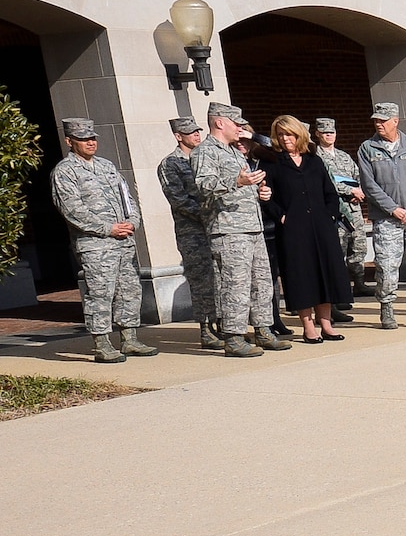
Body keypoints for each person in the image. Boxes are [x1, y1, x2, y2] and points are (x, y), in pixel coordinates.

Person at [50, 118, 155, 364]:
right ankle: (102, 343)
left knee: (129, 290)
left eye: (93, 138)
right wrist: (108, 228)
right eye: (84, 139)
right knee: (100, 293)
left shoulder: (107, 166)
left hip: (123, 242)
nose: (90, 142)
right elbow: (72, 210)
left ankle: (129, 338)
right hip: (95, 245)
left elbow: (127, 197)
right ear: (69, 141)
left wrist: (133, 221)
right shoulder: (65, 172)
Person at [193, 104, 285, 358]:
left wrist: (260, 193)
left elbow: (245, 185)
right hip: (228, 230)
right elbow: (204, 186)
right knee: (235, 285)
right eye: (237, 124)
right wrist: (237, 181)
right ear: (220, 123)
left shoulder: (235, 152)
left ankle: (263, 330)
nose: (241, 129)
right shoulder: (205, 152)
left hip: (251, 226)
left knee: (262, 283)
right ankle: (233, 337)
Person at [265, 114, 352, 344]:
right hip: (294, 230)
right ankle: (308, 326)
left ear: (299, 135)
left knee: (326, 273)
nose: (285, 139)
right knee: (301, 276)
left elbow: (330, 192)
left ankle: (326, 324)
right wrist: (281, 216)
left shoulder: (314, 161)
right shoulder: (272, 162)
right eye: (281, 134)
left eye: (290, 134)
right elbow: (266, 197)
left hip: (321, 227)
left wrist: (330, 214)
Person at [358, 101, 406, 329]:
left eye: (383, 120)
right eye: (376, 120)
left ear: (395, 121)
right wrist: (393, 209)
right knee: (387, 265)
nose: (378, 124)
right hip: (387, 218)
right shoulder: (368, 148)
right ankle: (387, 309)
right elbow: (369, 185)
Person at [156, 115, 223, 351]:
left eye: (197, 131)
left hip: (216, 227)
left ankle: (222, 324)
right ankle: (206, 329)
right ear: (178, 136)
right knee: (201, 280)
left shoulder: (204, 158)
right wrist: (208, 213)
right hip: (192, 232)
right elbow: (178, 199)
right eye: (190, 132)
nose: (196, 135)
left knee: (219, 277)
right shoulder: (170, 164)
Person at [313, 116, 368, 314]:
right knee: (339, 250)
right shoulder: (316, 157)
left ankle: (359, 282)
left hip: (354, 210)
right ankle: (340, 292)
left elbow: (356, 177)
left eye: (332, 132)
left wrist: (357, 192)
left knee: (358, 246)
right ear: (317, 134)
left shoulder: (344, 156)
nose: (329, 135)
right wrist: (348, 191)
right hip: (335, 210)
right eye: (325, 132)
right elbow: (326, 181)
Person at [244, 128, 291, 335]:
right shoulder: (231, 160)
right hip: (243, 227)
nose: (241, 142)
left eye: (245, 138)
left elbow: (280, 147)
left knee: (269, 277)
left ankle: (274, 319)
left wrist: (252, 136)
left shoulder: (265, 159)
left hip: (269, 226)